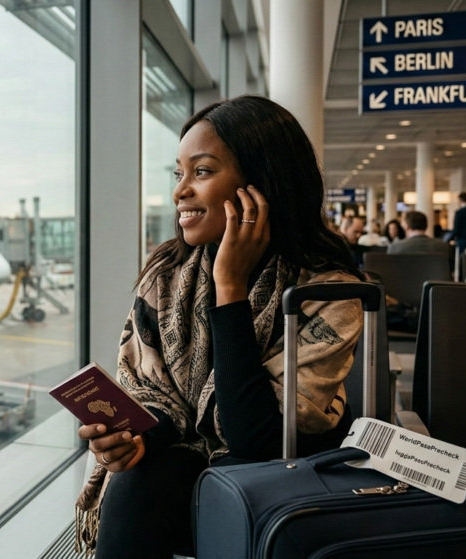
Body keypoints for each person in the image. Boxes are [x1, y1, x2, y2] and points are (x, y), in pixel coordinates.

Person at [74, 96, 364, 559]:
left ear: (262, 184)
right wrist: (129, 441)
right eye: (179, 174)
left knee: (220, 483)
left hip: (289, 487)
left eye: (202, 172)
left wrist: (229, 287)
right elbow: (163, 403)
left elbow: (256, 441)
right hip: (200, 473)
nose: (179, 192)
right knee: (135, 482)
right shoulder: (168, 276)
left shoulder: (329, 293)